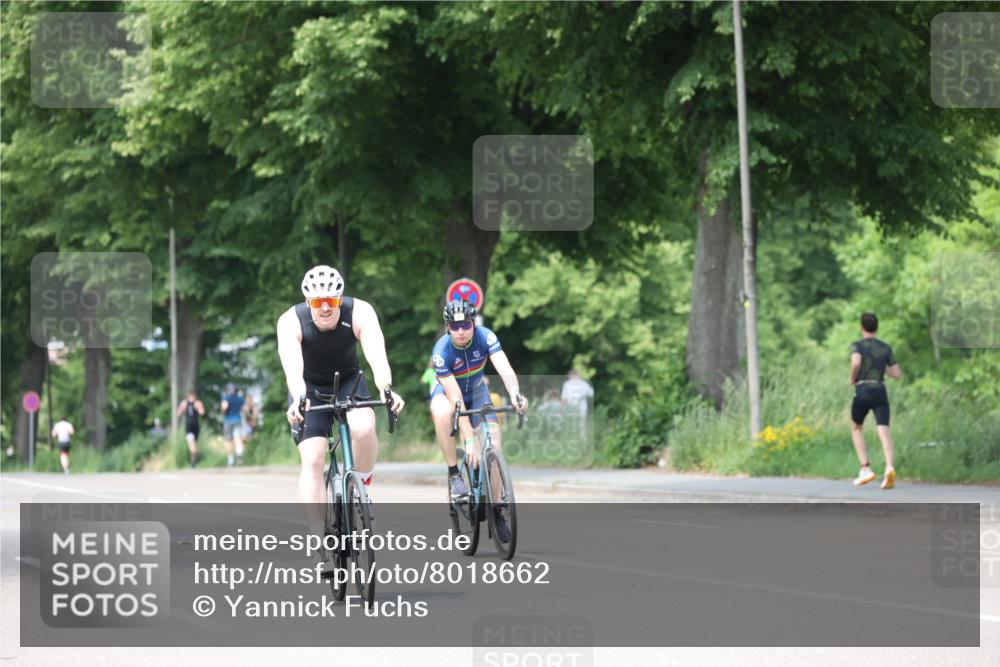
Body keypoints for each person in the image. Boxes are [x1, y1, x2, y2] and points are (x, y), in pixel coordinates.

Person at [277, 265, 404, 570]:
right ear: (308, 302)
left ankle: (360, 486)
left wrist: (386, 388)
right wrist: (298, 399)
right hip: (309, 388)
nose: (324, 308)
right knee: (313, 457)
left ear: (340, 299)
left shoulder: (360, 312)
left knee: (363, 428)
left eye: (331, 302)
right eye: (318, 302)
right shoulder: (290, 321)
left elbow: (376, 354)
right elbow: (292, 368)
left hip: (349, 381)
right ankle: (318, 536)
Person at [429, 299, 528, 541]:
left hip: (477, 390)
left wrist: (515, 393)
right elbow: (455, 399)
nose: (460, 331)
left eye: (465, 325)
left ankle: (497, 511)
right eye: (454, 326)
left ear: (473, 324)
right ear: (447, 327)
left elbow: (504, 368)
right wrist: (469, 438)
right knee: (442, 413)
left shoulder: (486, 337)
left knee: (494, 444)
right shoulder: (441, 352)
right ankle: (454, 474)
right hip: (447, 393)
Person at [849, 312, 901, 490]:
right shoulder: (885, 348)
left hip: (863, 389)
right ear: (876, 327)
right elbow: (896, 374)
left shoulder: (857, 345)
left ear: (861, 327)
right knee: (884, 430)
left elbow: (856, 363)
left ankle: (865, 468)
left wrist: (852, 378)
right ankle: (889, 466)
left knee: (857, 427)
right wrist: (879, 366)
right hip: (880, 390)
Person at [175, 390, 205, 468]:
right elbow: (202, 412)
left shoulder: (184, 403)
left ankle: (193, 454)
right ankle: (193, 458)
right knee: (194, 441)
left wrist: (183, 411)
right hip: (196, 424)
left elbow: (178, 414)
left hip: (189, 424)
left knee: (191, 442)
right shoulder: (198, 403)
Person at [561, 368, 594, 436]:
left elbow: (591, 393)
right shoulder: (569, 384)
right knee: (577, 424)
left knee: (578, 424)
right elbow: (564, 398)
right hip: (574, 407)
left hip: (578, 407)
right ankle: (578, 438)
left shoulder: (581, 383)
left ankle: (579, 438)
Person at [221, 383, 246, 467]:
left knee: (228, 440)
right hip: (238, 420)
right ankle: (239, 453)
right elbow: (245, 409)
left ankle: (231, 461)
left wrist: (223, 412)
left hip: (228, 420)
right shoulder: (239, 399)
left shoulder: (226, 398)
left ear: (227, 390)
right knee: (237, 438)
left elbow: (224, 407)